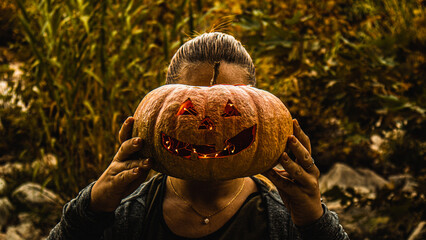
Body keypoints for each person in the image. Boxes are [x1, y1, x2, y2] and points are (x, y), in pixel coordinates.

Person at [48, 32, 349, 240]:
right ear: (158, 112)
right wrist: (92, 207)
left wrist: (314, 220)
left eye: (231, 109)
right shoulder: (126, 213)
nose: (209, 124)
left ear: (263, 113)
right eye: (188, 109)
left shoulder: (284, 219)